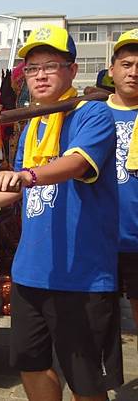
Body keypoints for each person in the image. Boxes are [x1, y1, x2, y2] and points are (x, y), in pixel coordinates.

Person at [0, 24, 123, 401]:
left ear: (72, 70)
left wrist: (25, 175)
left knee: (86, 380)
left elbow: (75, 164)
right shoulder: (33, 125)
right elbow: (14, 191)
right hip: (31, 272)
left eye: (51, 65)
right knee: (31, 363)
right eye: (32, 68)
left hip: (82, 275)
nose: (40, 75)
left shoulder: (92, 115)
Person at [106, 28, 138, 334]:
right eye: (127, 65)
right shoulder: (91, 115)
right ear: (112, 69)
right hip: (99, 238)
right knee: (97, 321)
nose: (133, 72)